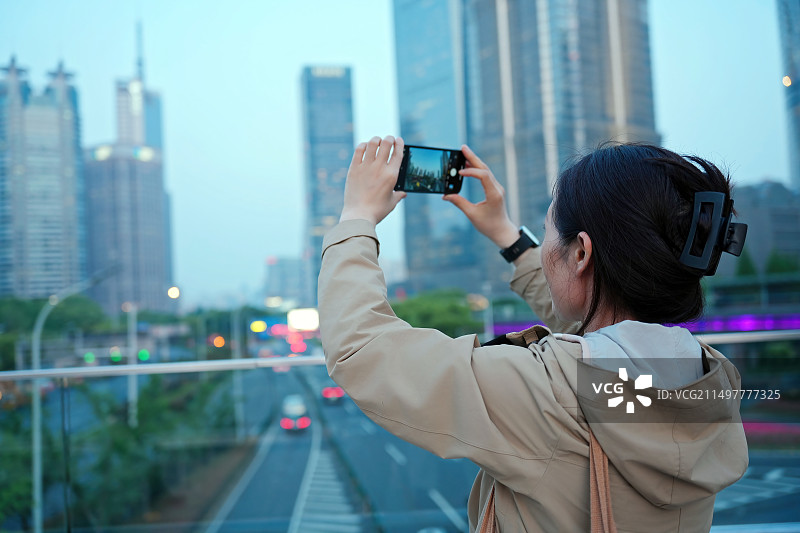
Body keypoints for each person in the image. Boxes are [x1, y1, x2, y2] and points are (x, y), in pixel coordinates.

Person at [318, 135, 749, 532]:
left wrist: (356, 217)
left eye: (545, 231)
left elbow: (362, 350)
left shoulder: (549, 393)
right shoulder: (710, 375)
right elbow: (598, 325)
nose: (544, 250)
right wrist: (507, 236)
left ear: (580, 253)